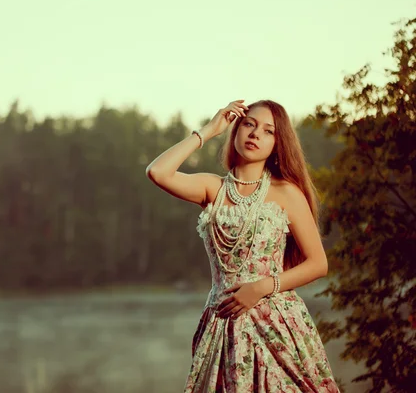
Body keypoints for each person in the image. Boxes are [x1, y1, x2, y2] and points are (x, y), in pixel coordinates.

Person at [145, 100, 340, 392]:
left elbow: (317, 264)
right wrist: (209, 130)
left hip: (276, 322)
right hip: (223, 324)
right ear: (235, 130)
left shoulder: (286, 193)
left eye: (268, 130)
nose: (255, 134)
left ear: (277, 143)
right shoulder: (213, 188)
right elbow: (158, 172)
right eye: (249, 124)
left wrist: (260, 288)